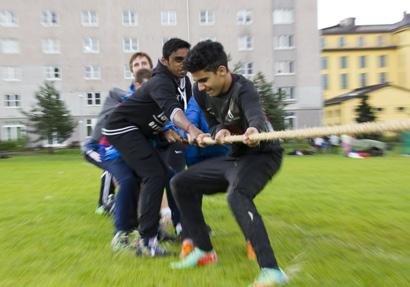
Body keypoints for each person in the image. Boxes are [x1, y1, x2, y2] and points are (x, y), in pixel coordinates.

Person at [170, 40, 288, 286]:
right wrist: (219, 130)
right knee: (181, 182)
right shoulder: (200, 92)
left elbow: (255, 115)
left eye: (204, 80)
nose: (200, 87)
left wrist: (253, 132)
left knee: (237, 196)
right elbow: (213, 123)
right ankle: (204, 252)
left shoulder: (244, 89)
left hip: (263, 155)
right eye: (197, 81)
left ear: (222, 71)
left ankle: (272, 271)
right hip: (236, 157)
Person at [102, 38, 203, 257]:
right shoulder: (160, 81)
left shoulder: (183, 82)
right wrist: (191, 129)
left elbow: (167, 114)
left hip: (141, 130)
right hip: (121, 128)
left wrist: (171, 131)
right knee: (153, 174)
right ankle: (146, 241)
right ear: (164, 60)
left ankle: (147, 233)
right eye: (178, 60)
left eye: (187, 60)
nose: (183, 64)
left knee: (162, 174)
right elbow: (173, 111)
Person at [93, 52, 154, 214]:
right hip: (117, 144)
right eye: (136, 64)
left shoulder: (156, 93)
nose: (141, 67)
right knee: (120, 169)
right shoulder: (123, 96)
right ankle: (106, 201)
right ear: (131, 72)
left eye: (144, 63)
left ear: (151, 68)